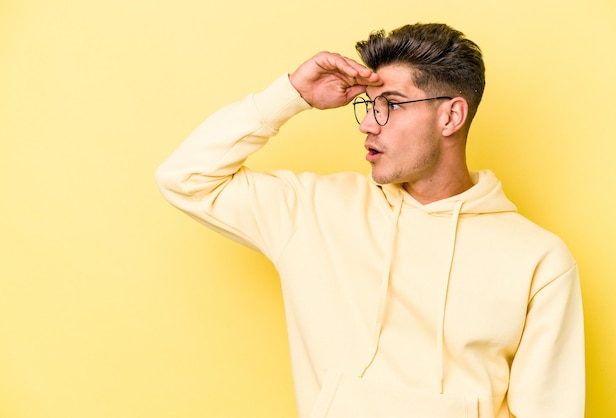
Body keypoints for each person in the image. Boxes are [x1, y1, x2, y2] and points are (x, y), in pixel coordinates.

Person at [156, 22, 585, 418]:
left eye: (392, 105)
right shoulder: (312, 211)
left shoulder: (539, 259)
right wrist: (291, 95)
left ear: (451, 116)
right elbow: (184, 178)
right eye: (368, 105)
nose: (367, 124)